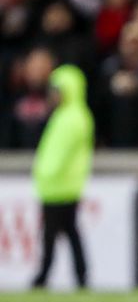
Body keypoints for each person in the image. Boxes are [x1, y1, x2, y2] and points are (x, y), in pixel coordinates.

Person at [31, 65, 94, 289]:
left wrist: (43, 172)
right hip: (62, 185)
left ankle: (44, 276)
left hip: (60, 186)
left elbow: (57, 154)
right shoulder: (70, 116)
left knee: (52, 234)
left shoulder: (72, 118)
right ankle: (80, 274)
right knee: (69, 232)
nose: (53, 95)